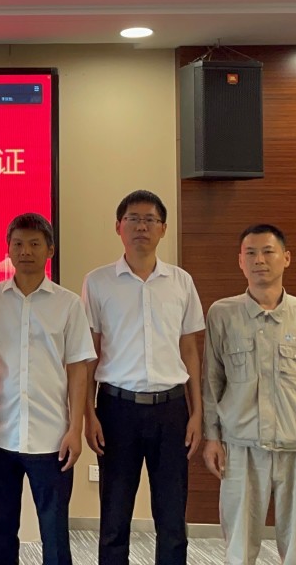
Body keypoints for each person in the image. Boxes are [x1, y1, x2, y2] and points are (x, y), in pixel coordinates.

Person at [202, 224, 296, 565]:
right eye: (251, 253)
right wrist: (212, 437)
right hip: (241, 447)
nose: (260, 260)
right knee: (238, 547)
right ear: (240, 261)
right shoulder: (222, 314)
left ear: (286, 258)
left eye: (268, 252)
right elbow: (211, 381)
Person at [81, 190, 204, 565]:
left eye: (150, 220)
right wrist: (88, 414)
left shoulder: (181, 282)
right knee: (114, 515)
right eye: (133, 219)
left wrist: (197, 413)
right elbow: (89, 355)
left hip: (172, 410)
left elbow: (189, 351)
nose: (141, 227)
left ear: (163, 229)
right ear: (118, 227)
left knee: (172, 516)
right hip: (117, 409)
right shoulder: (98, 282)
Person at [0, 214, 95, 565]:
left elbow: (78, 369)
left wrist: (75, 429)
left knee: (54, 535)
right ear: (8, 249)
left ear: (50, 250)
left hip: (52, 437)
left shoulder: (68, 304)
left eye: (34, 244)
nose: (25, 251)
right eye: (18, 244)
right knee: (0, 532)